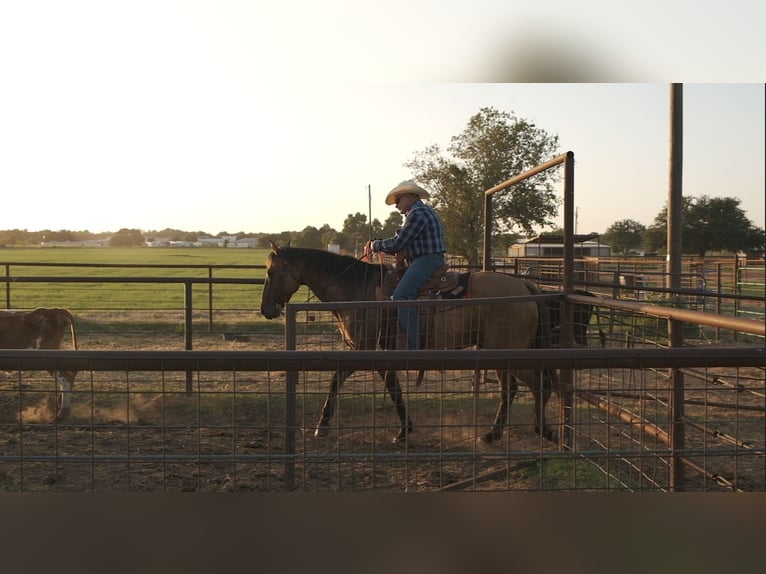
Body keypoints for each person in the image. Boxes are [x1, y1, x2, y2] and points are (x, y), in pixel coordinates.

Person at [364, 181, 446, 350]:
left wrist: (375, 246)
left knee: (402, 295)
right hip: (426, 258)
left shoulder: (417, 213)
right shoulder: (421, 212)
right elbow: (402, 240)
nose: (396, 206)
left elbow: (399, 242)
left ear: (409, 197)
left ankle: (412, 346)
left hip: (426, 259)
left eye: (398, 201)